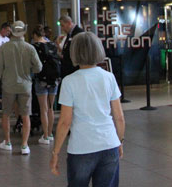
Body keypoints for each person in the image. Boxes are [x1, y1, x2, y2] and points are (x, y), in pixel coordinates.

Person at [50, 32, 125, 187]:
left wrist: (56, 153)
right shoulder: (109, 77)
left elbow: (65, 122)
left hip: (81, 147)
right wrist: (120, 141)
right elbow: (119, 117)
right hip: (109, 143)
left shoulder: (69, 82)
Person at [0, 21, 42, 155]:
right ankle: (24, 145)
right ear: (24, 32)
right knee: (26, 115)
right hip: (25, 86)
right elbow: (38, 67)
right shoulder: (30, 48)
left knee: (6, 114)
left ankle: (7, 142)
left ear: (12, 31)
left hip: (8, 86)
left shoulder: (5, 48)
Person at [31, 25, 61, 145]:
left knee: (43, 109)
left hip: (41, 79)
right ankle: (51, 133)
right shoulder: (52, 45)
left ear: (34, 35)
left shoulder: (34, 47)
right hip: (54, 79)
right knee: (50, 108)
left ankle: (45, 135)